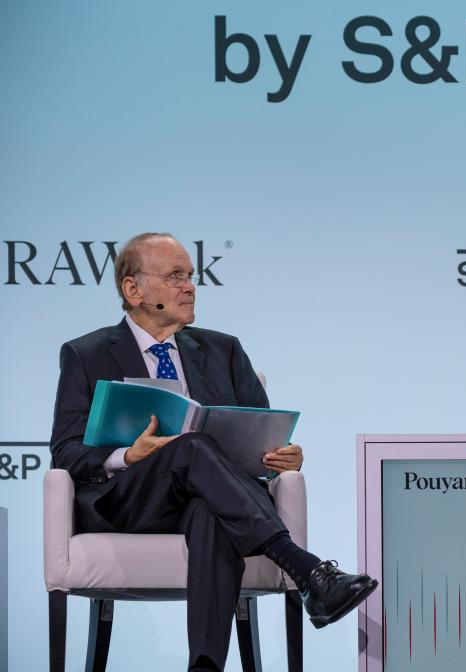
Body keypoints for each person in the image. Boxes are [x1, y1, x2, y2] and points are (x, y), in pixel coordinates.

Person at [49, 232, 377, 672]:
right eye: (175, 276)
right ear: (133, 289)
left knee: (210, 511)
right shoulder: (86, 354)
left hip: (212, 499)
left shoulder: (224, 349)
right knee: (192, 445)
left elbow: (263, 433)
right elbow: (65, 452)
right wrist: (127, 455)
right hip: (131, 500)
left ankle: (205, 666)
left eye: (190, 276)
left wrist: (283, 458)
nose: (189, 287)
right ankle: (305, 569)